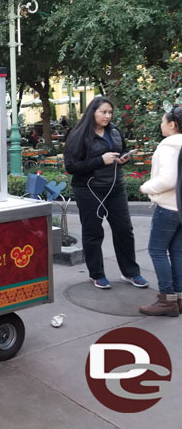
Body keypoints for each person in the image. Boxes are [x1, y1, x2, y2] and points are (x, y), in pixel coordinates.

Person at [63, 96, 148, 289]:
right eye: (103, 112)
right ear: (93, 112)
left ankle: (131, 272)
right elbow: (71, 167)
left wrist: (124, 159)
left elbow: (122, 150)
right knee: (93, 232)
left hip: (115, 188)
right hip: (89, 190)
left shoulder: (115, 131)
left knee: (124, 230)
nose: (107, 116)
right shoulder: (78, 135)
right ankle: (97, 274)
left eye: (110, 112)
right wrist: (100, 160)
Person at [139, 105, 182, 316]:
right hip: (180, 207)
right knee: (177, 252)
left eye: (164, 121)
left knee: (157, 251)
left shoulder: (168, 146)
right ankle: (179, 298)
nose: (161, 124)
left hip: (167, 208)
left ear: (172, 125)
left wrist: (146, 187)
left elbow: (168, 179)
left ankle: (167, 300)